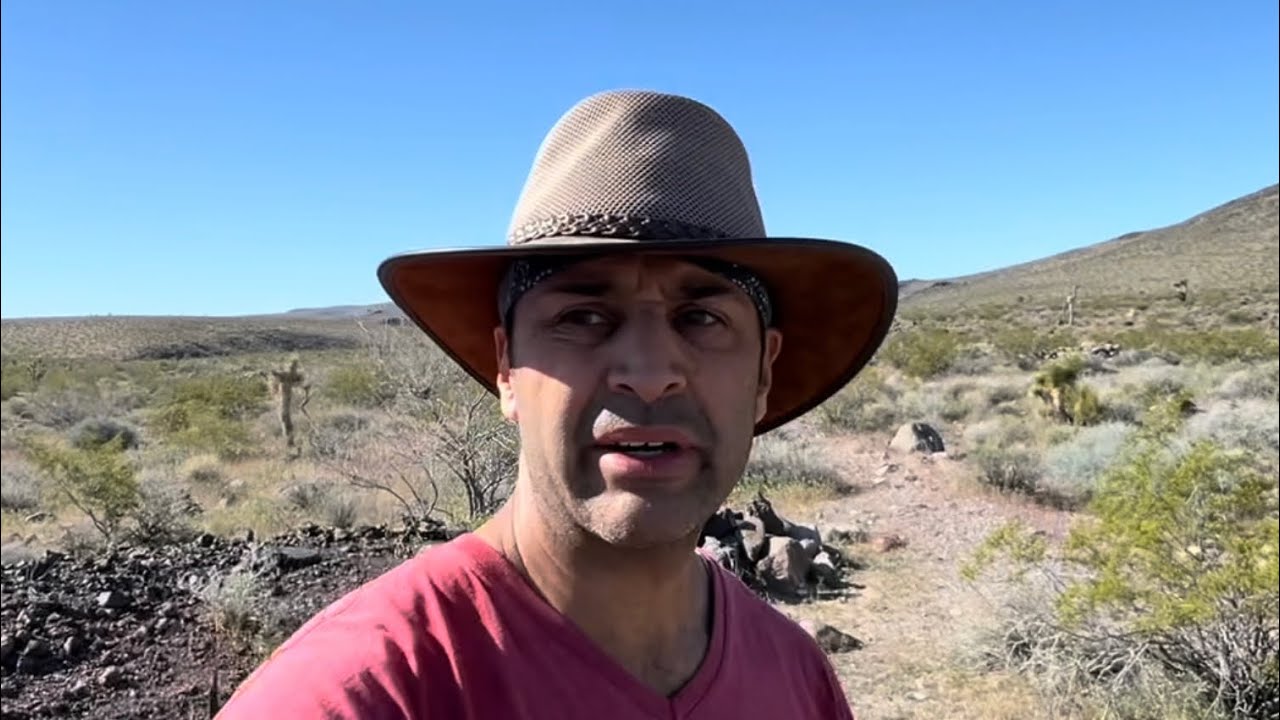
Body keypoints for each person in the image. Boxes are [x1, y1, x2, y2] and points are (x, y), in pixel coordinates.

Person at [215, 89, 898, 719]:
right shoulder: (357, 694)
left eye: (702, 318)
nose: (651, 373)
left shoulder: (796, 676)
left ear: (763, 373)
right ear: (508, 369)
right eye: (584, 315)